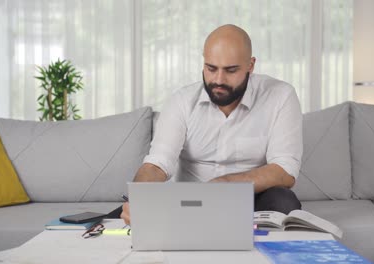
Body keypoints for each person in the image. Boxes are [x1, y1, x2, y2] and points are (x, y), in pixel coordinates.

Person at [108, 24, 303, 225]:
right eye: (211, 68)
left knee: (283, 201)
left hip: (251, 199)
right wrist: (139, 198)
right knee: (119, 217)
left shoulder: (281, 96)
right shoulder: (182, 101)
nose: (218, 80)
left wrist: (223, 184)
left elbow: (285, 170)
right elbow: (158, 163)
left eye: (231, 70)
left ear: (250, 66)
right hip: (188, 203)